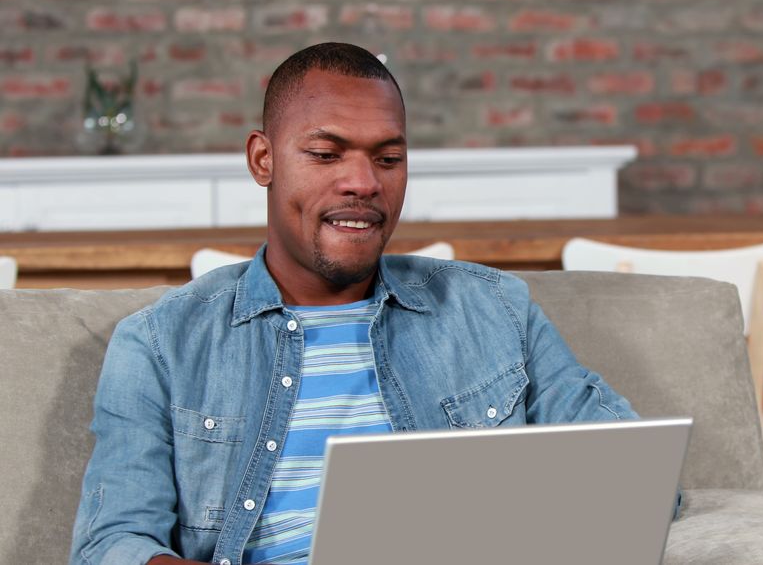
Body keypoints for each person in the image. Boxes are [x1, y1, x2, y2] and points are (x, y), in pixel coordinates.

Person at [69, 42, 638, 565]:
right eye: (325, 154)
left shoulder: (496, 310)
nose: (363, 182)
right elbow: (112, 541)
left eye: (388, 159)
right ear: (262, 160)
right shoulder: (160, 344)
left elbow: (635, 474)